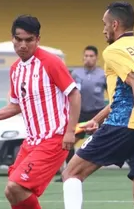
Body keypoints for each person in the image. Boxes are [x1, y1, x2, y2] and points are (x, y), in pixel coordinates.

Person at [62, 1, 134, 209]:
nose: (103, 30)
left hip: (126, 125)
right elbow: (130, 94)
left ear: (116, 24)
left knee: (71, 173)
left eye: (105, 24)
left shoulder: (113, 50)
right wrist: (96, 119)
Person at [0, 15, 81, 209]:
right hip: (30, 142)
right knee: (11, 192)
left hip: (53, 140)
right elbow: (16, 105)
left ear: (37, 39)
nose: (23, 45)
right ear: (12, 39)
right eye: (18, 39)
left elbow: (74, 95)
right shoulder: (15, 69)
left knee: (16, 186)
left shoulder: (50, 62)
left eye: (29, 40)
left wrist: (70, 131)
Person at [54, 45, 106, 182]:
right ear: (83, 58)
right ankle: (71, 170)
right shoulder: (76, 74)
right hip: (80, 114)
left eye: (91, 56)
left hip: (97, 114)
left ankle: (131, 164)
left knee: (110, 139)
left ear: (96, 58)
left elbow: (112, 93)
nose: (88, 59)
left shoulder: (102, 75)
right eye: (86, 56)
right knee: (69, 141)